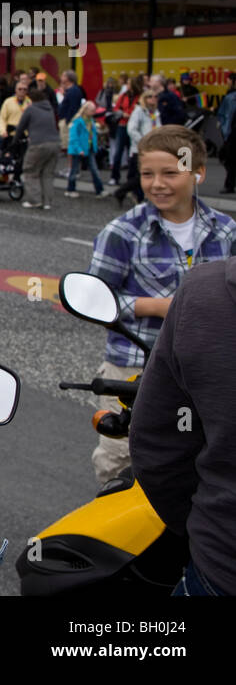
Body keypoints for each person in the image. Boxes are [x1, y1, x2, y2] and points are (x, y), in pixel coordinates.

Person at [87, 125, 236, 485]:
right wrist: (155, 307)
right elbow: (95, 300)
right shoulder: (122, 232)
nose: (157, 184)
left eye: (170, 173)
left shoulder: (227, 231)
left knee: (199, 454)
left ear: (198, 173)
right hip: (134, 370)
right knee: (123, 457)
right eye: (147, 174)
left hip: (205, 368)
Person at [129, 254, 236, 595]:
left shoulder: (207, 289)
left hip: (221, 567)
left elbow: (158, 448)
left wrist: (205, 523)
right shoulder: (123, 232)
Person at [114, 89, 160, 207]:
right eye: (150, 97)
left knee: (142, 176)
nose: (153, 99)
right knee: (142, 176)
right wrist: (142, 141)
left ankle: (128, 194)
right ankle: (121, 192)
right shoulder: (139, 111)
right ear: (144, 98)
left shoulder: (155, 112)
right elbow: (131, 129)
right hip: (140, 149)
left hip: (153, 148)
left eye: (155, 96)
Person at [18, 83, 60, 209]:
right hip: (55, 143)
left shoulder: (31, 109)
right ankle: (47, 202)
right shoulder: (49, 108)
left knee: (30, 170)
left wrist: (14, 141)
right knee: (47, 174)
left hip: (38, 144)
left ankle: (34, 200)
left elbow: (21, 127)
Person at [64, 100, 108, 198]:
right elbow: (73, 138)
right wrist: (79, 149)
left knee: (94, 169)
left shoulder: (91, 121)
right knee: (74, 170)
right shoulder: (77, 122)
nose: (94, 112)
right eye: (92, 110)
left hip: (89, 148)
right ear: (85, 110)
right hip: (78, 150)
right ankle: (70, 189)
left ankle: (99, 190)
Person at [56, 70, 84, 179]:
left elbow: (73, 108)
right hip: (67, 121)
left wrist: (68, 122)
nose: (61, 77)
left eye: (63, 75)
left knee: (70, 147)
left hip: (69, 122)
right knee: (68, 147)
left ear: (68, 78)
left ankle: (73, 169)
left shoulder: (73, 91)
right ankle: (70, 167)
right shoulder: (71, 91)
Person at [218, 71, 236, 194]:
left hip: (232, 132)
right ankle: (230, 184)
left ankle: (229, 184)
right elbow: (224, 115)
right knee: (228, 157)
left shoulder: (231, 97)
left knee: (230, 158)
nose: (227, 83)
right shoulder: (230, 97)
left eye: (229, 80)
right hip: (232, 132)